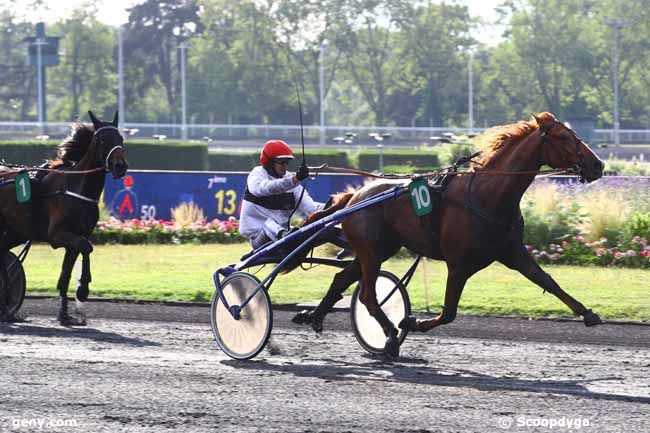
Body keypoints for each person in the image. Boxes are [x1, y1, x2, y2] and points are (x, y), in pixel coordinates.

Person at [239, 140, 324, 249]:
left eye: (287, 162)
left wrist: (337, 205)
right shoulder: (257, 174)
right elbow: (264, 189)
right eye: (281, 162)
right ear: (269, 162)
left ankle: (287, 237)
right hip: (258, 238)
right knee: (270, 223)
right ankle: (287, 237)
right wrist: (294, 179)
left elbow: (311, 208)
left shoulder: (292, 181)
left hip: (280, 236)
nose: (285, 166)